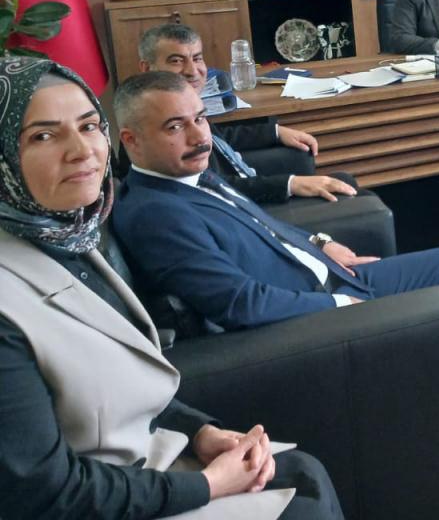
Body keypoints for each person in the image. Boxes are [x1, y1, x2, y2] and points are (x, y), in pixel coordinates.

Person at [112, 70, 439, 492]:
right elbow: (240, 303)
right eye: (175, 127)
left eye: (200, 118)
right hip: (311, 317)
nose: (199, 136)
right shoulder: (156, 214)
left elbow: (263, 226)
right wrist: (338, 307)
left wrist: (321, 243)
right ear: (131, 140)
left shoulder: (190, 176)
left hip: (326, 279)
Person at [0, 56, 343, 520]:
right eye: (43, 136)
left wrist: (199, 431)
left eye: (88, 126)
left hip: (145, 459)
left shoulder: (73, 235)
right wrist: (206, 486)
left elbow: (123, 377)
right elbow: (42, 493)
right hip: (98, 496)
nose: (81, 151)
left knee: (304, 473)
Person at [132, 23, 356, 205]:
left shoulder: (183, 105)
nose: (193, 71)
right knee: (345, 190)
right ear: (147, 68)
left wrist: (275, 132)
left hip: (243, 184)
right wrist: (290, 184)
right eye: (176, 61)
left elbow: (218, 140)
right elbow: (208, 186)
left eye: (197, 58)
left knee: (345, 181)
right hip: (237, 207)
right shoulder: (154, 123)